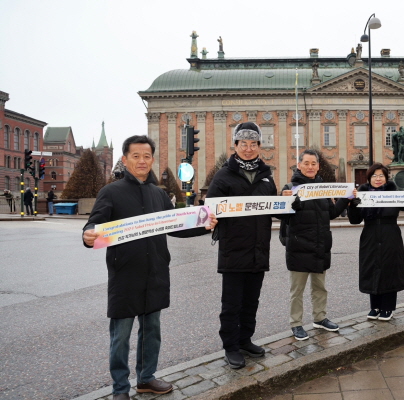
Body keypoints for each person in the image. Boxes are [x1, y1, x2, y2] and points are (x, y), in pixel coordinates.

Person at [82, 135, 217, 400]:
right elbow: (94, 225)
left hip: (155, 272)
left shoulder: (158, 194)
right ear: (125, 159)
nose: (142, 161)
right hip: (125, 275)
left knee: (151, 332)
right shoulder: (111, 192)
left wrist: (204, 226)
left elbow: (177, 228)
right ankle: (120, 388)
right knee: (120, 337)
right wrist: (88, 234)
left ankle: (145, 379)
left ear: (152, 159)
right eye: (136, 156)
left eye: (146, 156)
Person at [206, 122, 277, 369]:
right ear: (235, 145)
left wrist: (291, 204)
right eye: (243, 144)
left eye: (253, 144)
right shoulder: (224, 175)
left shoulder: (267, 176)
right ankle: (231, 346)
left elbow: (275, 208)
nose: (248, 149)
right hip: (234, 249)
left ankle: (246, 339)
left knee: (251, 301)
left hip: (259, 249)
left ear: (259, 146)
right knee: (232, 304)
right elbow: (210, 209)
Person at [281, 149, 349, 340]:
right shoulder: (290, 188)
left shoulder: (323, 189)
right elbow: (283, 217)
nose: (310, 167)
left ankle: (320, 318)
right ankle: (296, 324)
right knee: (297, 291)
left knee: (320, 288)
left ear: (318, 166)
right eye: (307, 163)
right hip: (299, 246)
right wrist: (287, 202)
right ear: (299, 165)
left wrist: (346, 199)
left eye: (314, 164)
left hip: (320, 245)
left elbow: (331, 213)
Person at [348, 163, 404, 321]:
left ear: (386, 178)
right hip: (369, 236)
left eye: (381, 176)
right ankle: (375, 306)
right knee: (372, 268)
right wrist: (353, 205)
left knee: (389, 270)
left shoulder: (393, 194)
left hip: (390, 235)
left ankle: (387, 307)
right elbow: (354, 220)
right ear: (369, 178)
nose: (378, 179)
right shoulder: (362, 195)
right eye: (374, 176)